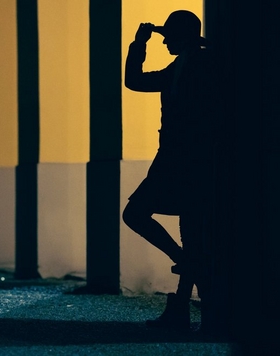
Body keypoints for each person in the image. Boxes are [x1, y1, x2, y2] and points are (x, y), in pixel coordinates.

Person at [122, 10, 220, 330]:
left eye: (168, 35)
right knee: (188, 237)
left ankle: (190, 310)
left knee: (184, 233)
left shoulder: (203, 65)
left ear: (183, 36)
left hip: (190, 161)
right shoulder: (180, 66)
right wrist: (139, 45)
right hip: (176, 159)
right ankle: (191, 296)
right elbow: (134, 81)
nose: (163, 40)